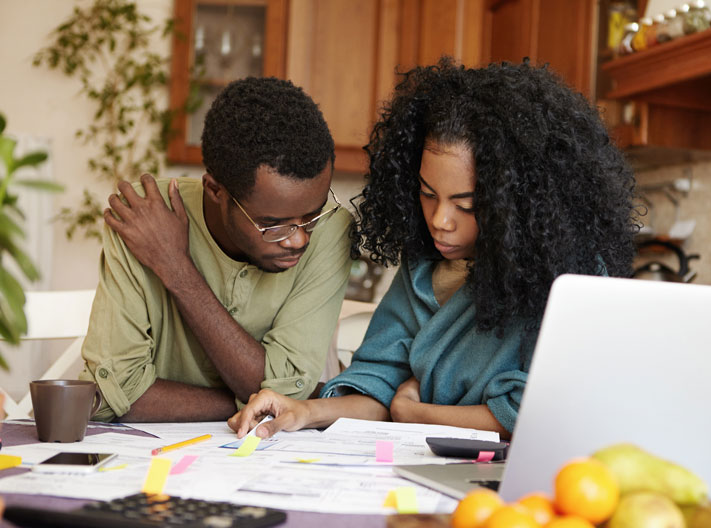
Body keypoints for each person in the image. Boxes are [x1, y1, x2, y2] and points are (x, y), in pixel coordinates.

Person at [230, 58, 636, 440]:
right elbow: (379, 387)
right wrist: (304, 411)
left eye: (467, 205)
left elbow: (540, 416)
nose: (440, 219)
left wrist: (417, 414)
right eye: (427, 194)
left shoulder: (569, 277)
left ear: (521, 202)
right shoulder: (423, 268)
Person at [80, 77, 353, 422]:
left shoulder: (332, 230)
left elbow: (289, 395)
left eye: (312, 215)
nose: (298, 239)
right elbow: (112, 393)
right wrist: (261, 403)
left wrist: (175, 268)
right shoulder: (147, 217)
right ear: (215, 190)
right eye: (272, 224)